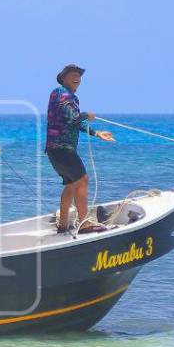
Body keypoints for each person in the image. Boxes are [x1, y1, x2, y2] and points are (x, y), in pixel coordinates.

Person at [45, 64, 115, 233]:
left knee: (70, 184)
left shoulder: (68, 96)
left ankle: (63, 225)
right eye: (72, 75)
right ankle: (85, 224)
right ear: (63, 78)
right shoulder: (61, 93)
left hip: (56, 150)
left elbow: (75, 122)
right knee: (82, 180)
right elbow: (74, 117)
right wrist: (86, 115)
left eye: (79, 75)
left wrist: (96, 133)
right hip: (62, 149)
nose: (77, 77)